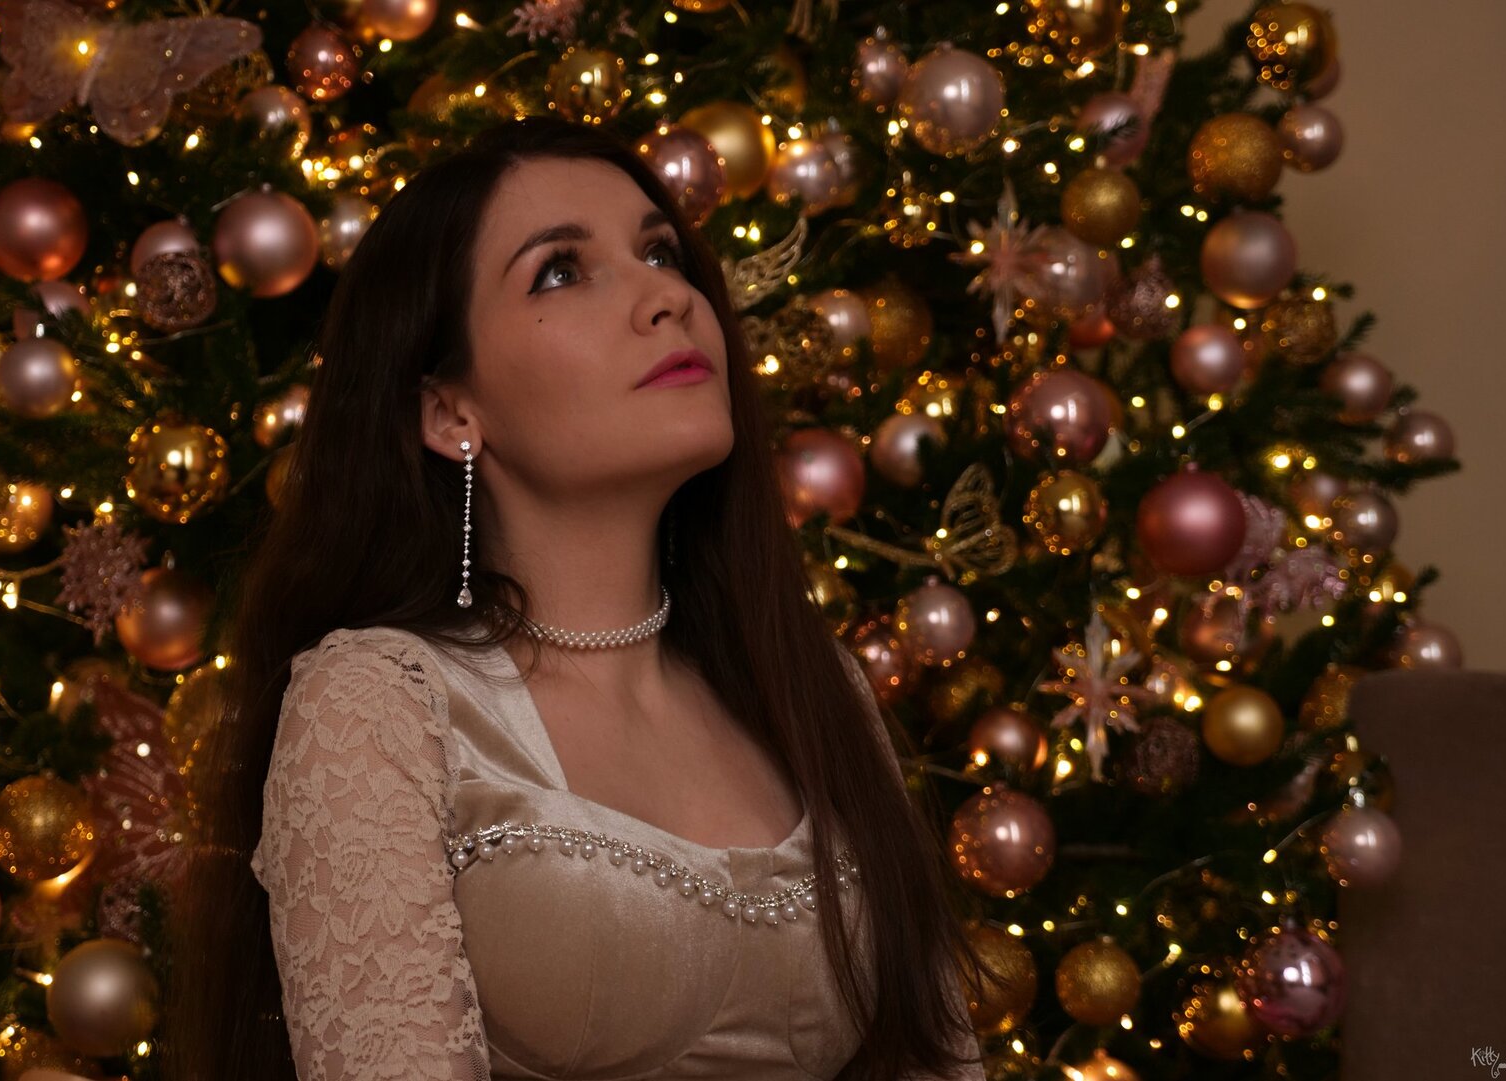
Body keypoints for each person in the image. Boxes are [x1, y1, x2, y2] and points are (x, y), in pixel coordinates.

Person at [167, 116, 991, 1081]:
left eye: (661, 252)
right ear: (450, 411)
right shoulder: (379, 702)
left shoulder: (814, 684)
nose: (668, 297)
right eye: (560, 270)